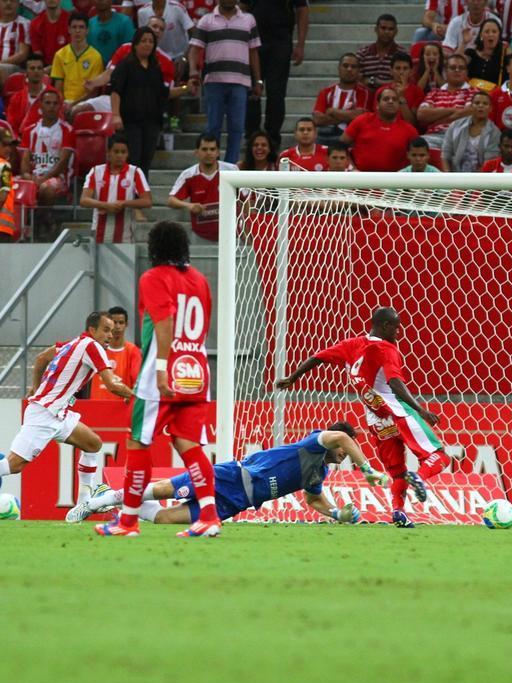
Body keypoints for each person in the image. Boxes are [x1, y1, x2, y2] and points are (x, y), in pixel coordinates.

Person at [96, 221, 220, 538]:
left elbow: (164, 325)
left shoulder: (153, 278)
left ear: (155, 248)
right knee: (189, 445)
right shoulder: (200, 280)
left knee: (138, 442)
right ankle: (209, 517)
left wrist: (163, 367)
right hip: (196, 372)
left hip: (160, 376)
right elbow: (203, 324)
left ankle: (128, 522)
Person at [0, 311, 133, 519]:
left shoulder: (70, 344)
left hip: (58, 413)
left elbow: (41, 358)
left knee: (93, 444)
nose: (110, 334)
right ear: (92, 330)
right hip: (45, 414)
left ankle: (83, 503)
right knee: (13, 464)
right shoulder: (92, 346)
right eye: (105, 330)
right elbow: (111, 384)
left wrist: (35, 388)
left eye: (112, 330)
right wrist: (134, 396)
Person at [274, 308, 449, 528]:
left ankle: (398, 513)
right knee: (440, 457)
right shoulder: (386, 349)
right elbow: (395, 383)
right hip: (398, 413)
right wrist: (420, 410)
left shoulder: (351, 345)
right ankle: (420, 478)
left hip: (376, 422)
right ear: (384, 326)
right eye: (396, 327)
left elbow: (317, 358)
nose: (398, 332)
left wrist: (293, 377)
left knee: (397, 473)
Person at [73, 421, 389, 525]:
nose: (344, 454)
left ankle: (119, 502)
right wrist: (367, 468)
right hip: (234, 476)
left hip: (234, 503)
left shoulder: (318, 472)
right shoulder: (314, 445)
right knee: (169, 489)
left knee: (165, 519)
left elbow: (314, 501)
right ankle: (107, 497)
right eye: (345, 451)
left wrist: (337, 514)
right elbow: (341, 436)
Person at [189, 0, 261, 165]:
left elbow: (254, 52)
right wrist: (193, 70)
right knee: (213, 127)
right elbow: (194, 48)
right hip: (214, 81)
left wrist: (257, 80)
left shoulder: (249, 19)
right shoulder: (207, 20)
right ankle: (212, 165)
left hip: (240, 81)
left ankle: (230, 167)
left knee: (237, 129)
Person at [244, 0, 309, 145]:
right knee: (252, 90)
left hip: (280, 41)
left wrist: (300, 44)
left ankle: (272, 136)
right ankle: (251, 135)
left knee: (276, 92)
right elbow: (242, 7)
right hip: (254, 41)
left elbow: (302, 9)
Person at [110, 26, 171, 176]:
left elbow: (163, 92)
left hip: (152, 122)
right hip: (131, 122)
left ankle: (142, 194)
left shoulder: (155, 67)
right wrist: (116, 115)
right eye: (143, 41)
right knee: (134, 160)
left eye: (151, 41)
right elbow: (116, 91)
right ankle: (129, 194)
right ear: (135, 44)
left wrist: (185, 89)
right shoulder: (125, 65)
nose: (147, 44)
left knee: (146, 161)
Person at [168, 134, 236, 240]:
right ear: (196, 152)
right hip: (200, 236)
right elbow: (171, 200)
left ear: (218, 152)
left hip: (231, 236)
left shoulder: (231, 171)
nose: (208, 153)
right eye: (204, 149)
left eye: (212, 149)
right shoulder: (188, 175)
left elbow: (246, 199)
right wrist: (189, 205)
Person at [341, 87, 420, 172]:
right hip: (361, 180)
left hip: (395, 181)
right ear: (377, 105)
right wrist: (352, 169)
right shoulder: (362, 120)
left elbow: (418, 156)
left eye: (395, 99)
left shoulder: (410, 130)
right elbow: (340, 146)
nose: (391, 101)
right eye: (386, 99)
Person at [19, 88, 74, 207]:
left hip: (58, 177)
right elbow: (25, 161)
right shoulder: (29, 131)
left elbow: (63, 163)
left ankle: (44, 222)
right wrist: (28, 177)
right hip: (34, 176)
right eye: (48, 103)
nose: (51, 107)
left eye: (55, 103)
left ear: (60, 106)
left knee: (46, 189)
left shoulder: (67, 130)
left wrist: (43, 179)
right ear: (40, 105)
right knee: (12, 186)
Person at [50, 14, 105, 117]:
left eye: (81, 27)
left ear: (87, 30)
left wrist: (73, 104)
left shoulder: (96, 57)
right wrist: (62, 104)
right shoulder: (60, 55)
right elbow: (58, 88)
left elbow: (93, 92)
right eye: (74, 27)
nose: (77, 31)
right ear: (69, 29)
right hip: (64, 102)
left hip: (85, 102)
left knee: (76, 112)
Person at [417, 53, 476, 147]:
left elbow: (468, 114)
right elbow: (421, 115)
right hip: (434, 136)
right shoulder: (434, 93)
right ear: (445, 72)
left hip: (461, 136)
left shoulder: (473, 92)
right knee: (418, 145)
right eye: (453, 68)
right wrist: (454, 110)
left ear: (466, 72)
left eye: (461, 68)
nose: (457, 70)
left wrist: (436, 120)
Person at [88, 304, 143, 400]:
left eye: (121, 322)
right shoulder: (96, 348)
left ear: (126, 324)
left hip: (121, 407)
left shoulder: (132, 351)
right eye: (114, 322)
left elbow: (138, 381)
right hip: (97, 406)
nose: (117, 327)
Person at [311, 53, 370, 144]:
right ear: (339, 68)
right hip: (326, 136)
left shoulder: (364, 92)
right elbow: (318, 119)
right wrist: (349, 116)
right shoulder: (325, 92)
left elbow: (360, 118)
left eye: (353, 67)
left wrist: (332, 112)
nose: (349, 69)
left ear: (358, 71)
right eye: (345, 66)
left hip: (351, 138)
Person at [440, 91, 499, 172]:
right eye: (477, 103)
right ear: (471, 106)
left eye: (485, 104)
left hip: (480, 180)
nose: (480, 106)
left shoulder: (495, 133)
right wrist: (447, 176)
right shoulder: (455, 126)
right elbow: (446, 153)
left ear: (490, 108)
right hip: (454, 177)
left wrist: (473, 182)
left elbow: (489, 162)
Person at [368, 52, 423, 126]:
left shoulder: (417, 92)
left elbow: (412, 123)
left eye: (405, 68)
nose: (401, 72)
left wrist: (401, 98)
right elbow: (377, 118)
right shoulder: (381, 91)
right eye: (398, 68)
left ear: (411, 72)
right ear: (391, 71)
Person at [7, 53, 53, 133]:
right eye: (32, 68)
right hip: (21, 141)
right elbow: (11, 126)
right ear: (26, 72)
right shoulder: (16, 98)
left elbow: (58, 124)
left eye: (39, 68)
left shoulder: (54, 96)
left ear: (43, 71)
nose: (36, 71)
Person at [356, 13, 405, 89]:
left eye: (390, 29)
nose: (386, 32)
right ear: (376, 29)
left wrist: (375, 82)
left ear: (396, 32)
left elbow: (403, 81)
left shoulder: (403, 54)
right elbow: (357, 80)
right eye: (383, 28)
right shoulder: (362, 53)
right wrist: (390, 82)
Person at [30, 0, 71, 66]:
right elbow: (38, 54)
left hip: (67, 65)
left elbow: (71, 52)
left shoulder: (71, 21)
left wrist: (53, 68)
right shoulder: (35, 24)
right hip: (45, 68)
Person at [466, 19, 505, 85]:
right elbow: (456, 65)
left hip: (495, 94)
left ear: (499, 36)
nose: (491, 34)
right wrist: (463, 43)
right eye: (487, 32)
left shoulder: (504, 57)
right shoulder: (471, 53)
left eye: (494, 32)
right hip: (471, 93)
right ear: (481, 35)